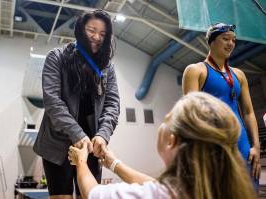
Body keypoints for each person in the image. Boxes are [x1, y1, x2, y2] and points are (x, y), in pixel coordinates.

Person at [68, 92, 256, 199]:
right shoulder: (219, 189)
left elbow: (93, 193)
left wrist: (81, 162)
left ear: (171, 140)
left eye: (166, 119)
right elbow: (156, 185)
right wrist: (113, 163)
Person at [33, 10, 120, 199]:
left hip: (91, 147)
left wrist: (103, 135)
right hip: (57, 144)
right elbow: (53, 102)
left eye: (103, 34)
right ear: (80, 30)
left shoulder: (107, 67)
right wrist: (78, 134)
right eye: (91, 30)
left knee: (89, 196)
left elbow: (112, 104)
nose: (97, 37)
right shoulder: (56, 57)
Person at [182, 23, 261, 183]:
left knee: (250, 191)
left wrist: (256, 147)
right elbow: (191, 117)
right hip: (214, 146)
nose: (231, 43)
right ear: (211, 41)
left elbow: (248, 112)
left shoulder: (239, 75)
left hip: (242, 144)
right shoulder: (196, 71)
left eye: (233, 40)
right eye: (225, 39)